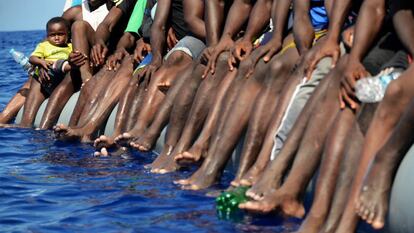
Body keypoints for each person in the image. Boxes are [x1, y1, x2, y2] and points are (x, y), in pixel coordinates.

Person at [18, 17, 73, 127]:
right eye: (53, 35)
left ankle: (63, 66)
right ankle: (26, 124)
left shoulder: (71, 46)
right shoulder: (44, 46)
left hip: (62, 77)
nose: (56, 38)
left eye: (60, 34)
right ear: (47, 36)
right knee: (49, 68)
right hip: (48, 72)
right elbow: (32, 58)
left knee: (65, 63)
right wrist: (41, 62)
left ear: (67, 34)